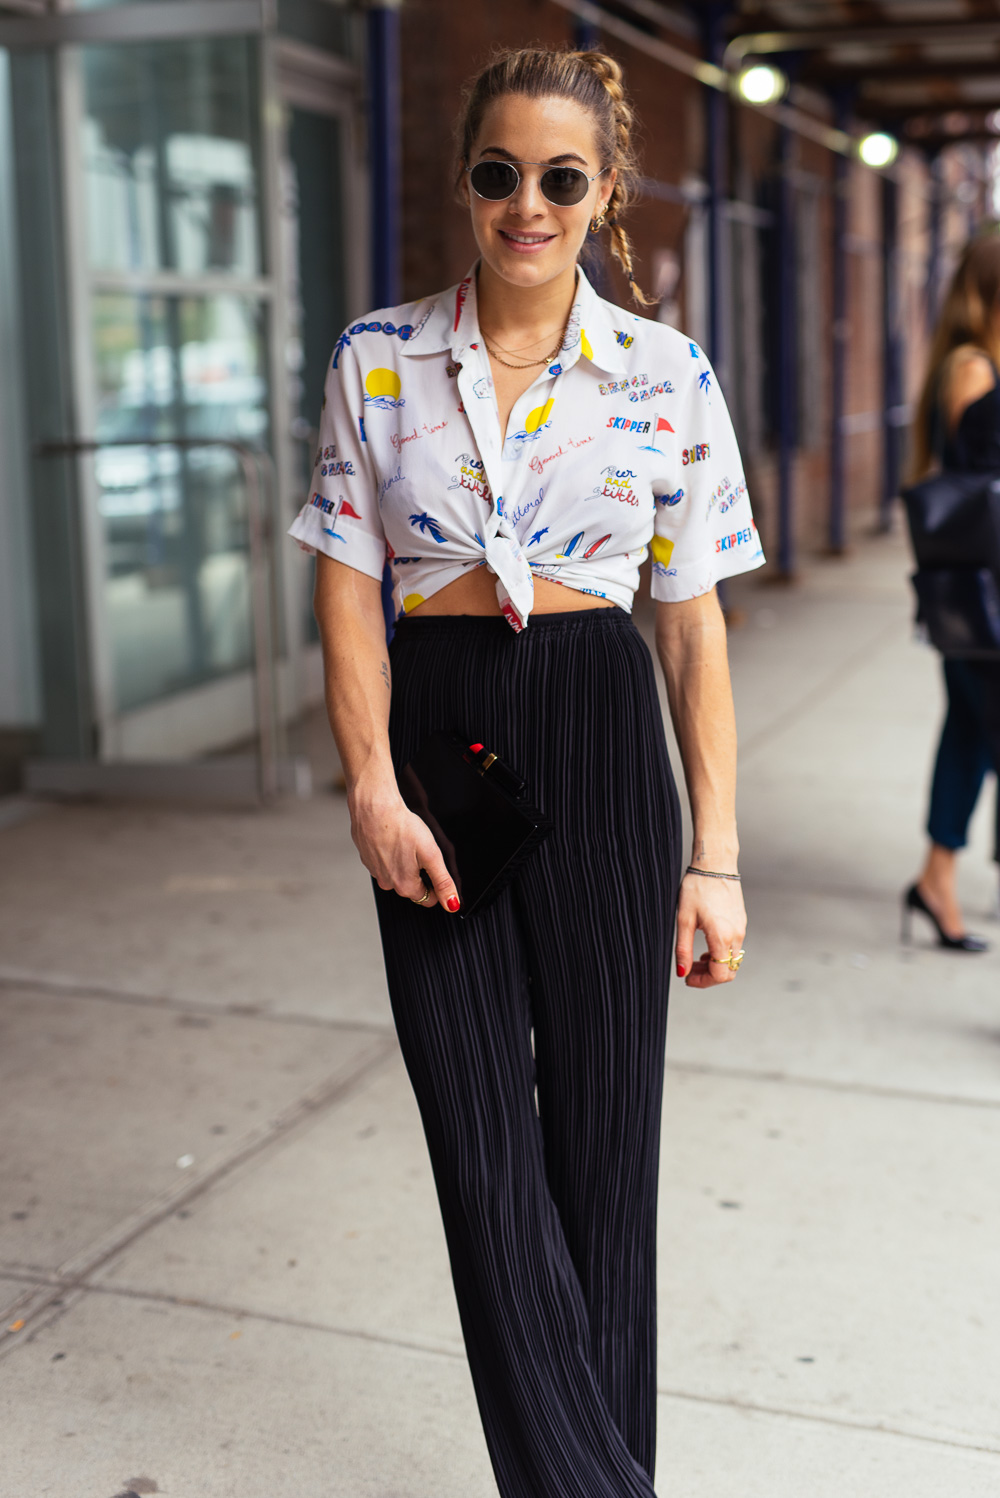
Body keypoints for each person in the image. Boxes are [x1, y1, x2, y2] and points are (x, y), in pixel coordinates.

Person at [290, 47, 764, 1498]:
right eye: (500, 172)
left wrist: (717, 856)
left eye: (563, 178)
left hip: (602, 722)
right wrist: (371, 784)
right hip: (440, 739)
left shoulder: (667, 373)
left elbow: (691, 628)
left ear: (605, 190)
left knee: (609, 1155)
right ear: (465, 181)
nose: (528, 204)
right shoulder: (376, 361)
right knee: (482, 1140)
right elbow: (347, 593)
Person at [904, 233, 1000, 953]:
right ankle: (937, 880)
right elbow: (976, 491)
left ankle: (936, 877)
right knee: (974, 734)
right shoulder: (972, 370)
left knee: (968, 735)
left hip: (979, 607)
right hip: (984, 605)